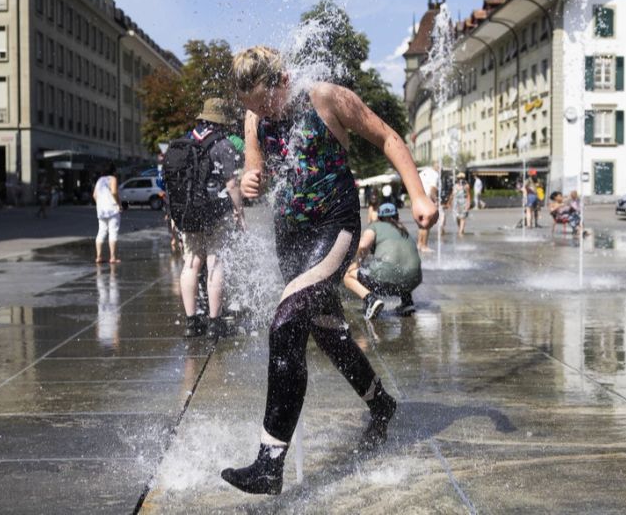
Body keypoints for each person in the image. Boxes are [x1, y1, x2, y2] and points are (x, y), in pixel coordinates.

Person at [221, 46, 437, 495]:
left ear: (283, 80)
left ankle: (269, 462)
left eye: (265, 102)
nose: (261, 113)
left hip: (333, 227)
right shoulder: (253, 116)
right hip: (290, 237)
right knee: (327, 332)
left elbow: (388, 138)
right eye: (252, 107)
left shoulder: (326, 98)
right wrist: (248, 181)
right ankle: (381, 404)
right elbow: (254, 174)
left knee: (284, 324)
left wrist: (417, 196)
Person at [175, 98, 244, 339]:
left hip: (188, 212)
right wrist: (239, 211)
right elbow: (232, 184)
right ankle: (215, 322)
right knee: (215, 262)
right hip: (216, 211)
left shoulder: (185, 141)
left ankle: (191, 322)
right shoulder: (224, 144)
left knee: (191, 264)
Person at [344, 202, 422, 319]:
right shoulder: (403, 230)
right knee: (400, 267)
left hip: (387, 274)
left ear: (379, 217)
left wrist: (356, 263)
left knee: (348, 276)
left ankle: (371, 300)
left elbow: (363, 245)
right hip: (415, 279)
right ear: (397, 216)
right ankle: (407, 302)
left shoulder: (375, 226)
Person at [93, 163, 121, 264]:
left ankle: (98, 257)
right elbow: (114, 192)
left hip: (101, 210)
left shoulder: (99, 180)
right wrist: (118, 203)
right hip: (112, 209)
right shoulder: (112, 179)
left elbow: (94, 195)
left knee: (101, 232)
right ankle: (112, 257)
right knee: (113, 232)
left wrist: (100, 203)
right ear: (113, 170)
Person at [417, 165, 439, 252]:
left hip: (418, 199)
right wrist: (435, 200)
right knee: (427, 224)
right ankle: (424, 246)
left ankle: (419, 243)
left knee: (421, 224)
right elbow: (432, 189)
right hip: (427, 199)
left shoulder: (423, 172)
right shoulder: (435, 174)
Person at [447, 172, 470, 237]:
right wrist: (449, 202)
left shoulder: (466, 186)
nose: (460, 179)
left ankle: (460, 232)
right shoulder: (455, 186)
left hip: (464, 202)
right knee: (457, 217)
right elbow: (452, 195)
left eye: (462, 178)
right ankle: (461, 229)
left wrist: (468, 204)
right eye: (459, 178)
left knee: (462, 217)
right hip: (456, 203)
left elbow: (468, 195)